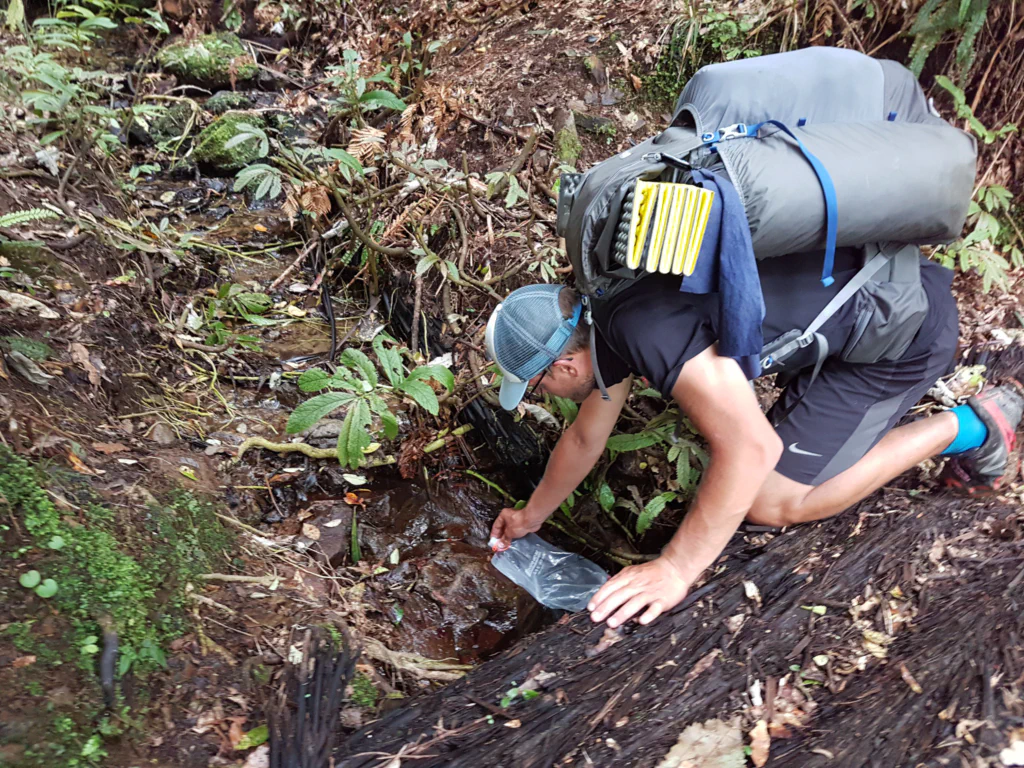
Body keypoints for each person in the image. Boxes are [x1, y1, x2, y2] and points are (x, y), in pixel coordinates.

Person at [485, 248, 1024, 630]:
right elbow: (585, 439)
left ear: (564, 363)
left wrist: (675, 568)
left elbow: (751, 447)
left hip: (897, 332)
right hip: (860, 292)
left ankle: (975, 425)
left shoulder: (643, 331)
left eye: (540, 385)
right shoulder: (607, 307)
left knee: (770, 499)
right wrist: (532, 516)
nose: (548, 395)